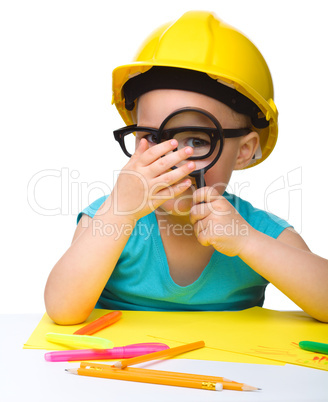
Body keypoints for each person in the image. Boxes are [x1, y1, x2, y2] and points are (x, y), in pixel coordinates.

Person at [44, 11, 328, 324]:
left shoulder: (257, 230)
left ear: (244, 151)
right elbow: (62, 310)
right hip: (123, 368)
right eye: (153, 137)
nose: (173, 159)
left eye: (197, 139)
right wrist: (120, 211)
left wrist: (248, 241)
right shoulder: (110, 219)